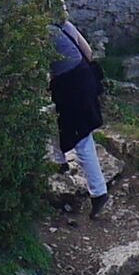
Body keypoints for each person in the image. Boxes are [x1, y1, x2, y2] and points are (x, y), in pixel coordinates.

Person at [49, 19, 111, 217]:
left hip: (70, 85)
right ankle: (59, 162)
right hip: (84, 79)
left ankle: (99, 192)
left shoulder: (42, 31)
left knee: (82, 139)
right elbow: (88, 52)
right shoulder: (64, 25)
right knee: (60, 123)